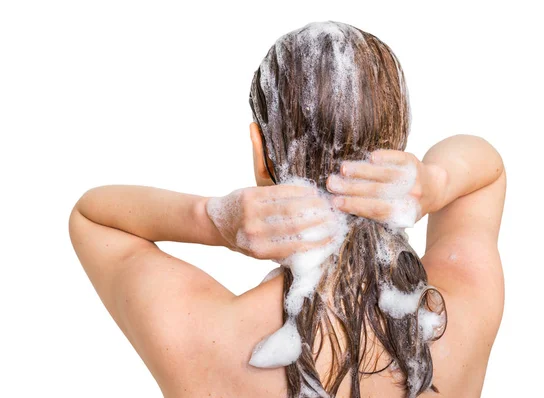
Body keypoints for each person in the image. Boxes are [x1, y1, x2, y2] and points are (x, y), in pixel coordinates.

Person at [69, 21, 505, 398]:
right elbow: (486, 168)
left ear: (260, 154)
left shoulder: (205, 337)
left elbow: (92, 217)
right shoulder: (452, 321)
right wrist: (436, 182)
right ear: (398, 149)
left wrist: (211, 219)